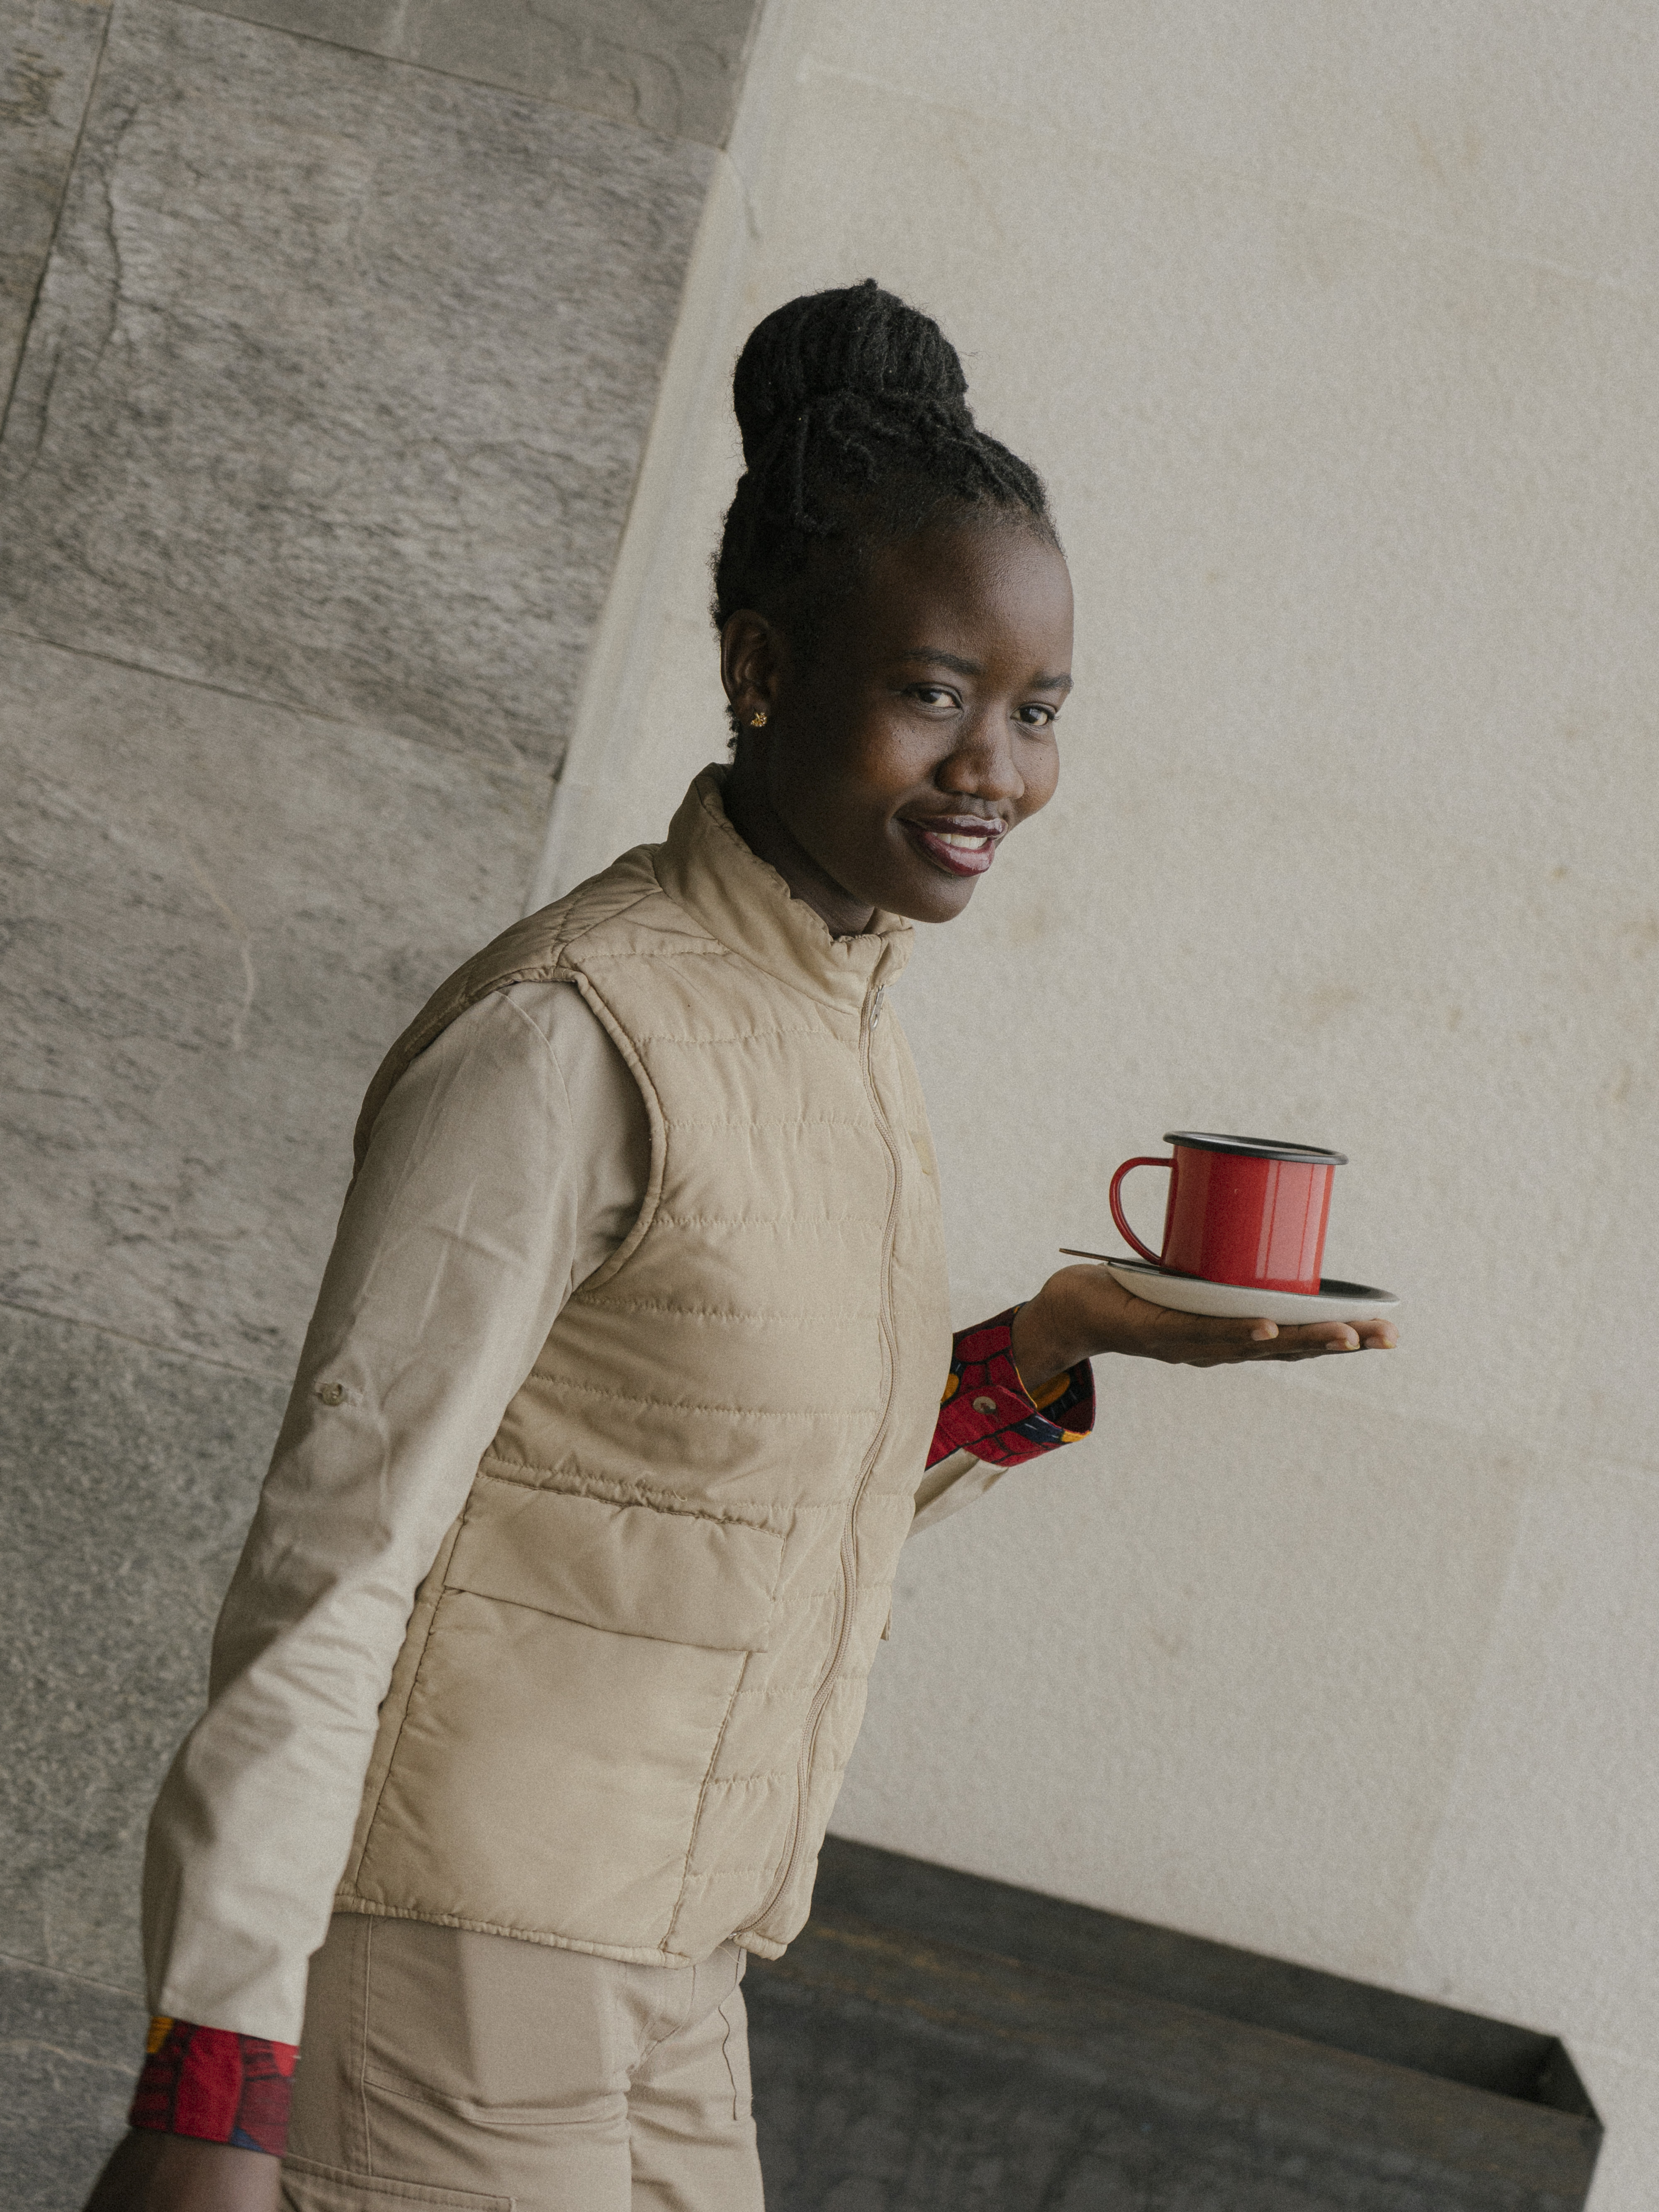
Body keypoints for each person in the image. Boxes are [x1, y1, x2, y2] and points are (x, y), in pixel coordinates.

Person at [85, 281, 1395, 2212]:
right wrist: (210, 2087)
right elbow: (330, 1576)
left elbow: (743, 1501)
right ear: (765, 670)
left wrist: (1042, 1350)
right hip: (453, 1953)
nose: (994, 772)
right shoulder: (569, 1034)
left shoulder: (839, 1026)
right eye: (933, 692)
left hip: (683, 1974)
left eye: (1035, 711)